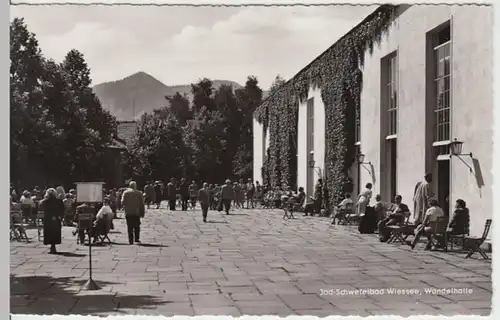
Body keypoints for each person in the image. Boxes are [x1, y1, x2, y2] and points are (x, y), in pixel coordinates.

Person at [40, 188, 64, 254]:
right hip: (56, 218)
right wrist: (60, 217)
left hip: (48, 219)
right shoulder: (59, 201)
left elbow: (41, 207)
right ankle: (53, 246)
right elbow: (62, 210)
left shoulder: (45, 202)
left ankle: (52, 246)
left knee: (49, 233)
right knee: (55, 232)